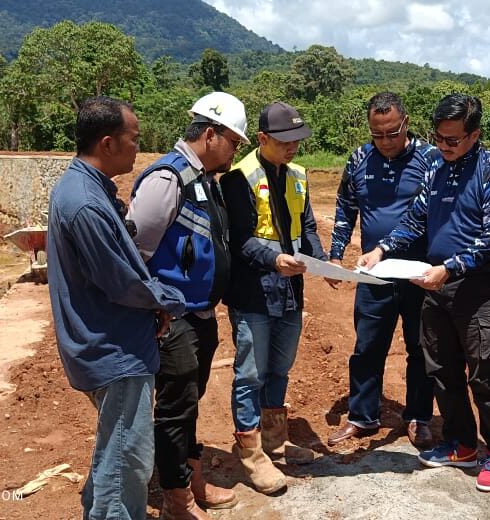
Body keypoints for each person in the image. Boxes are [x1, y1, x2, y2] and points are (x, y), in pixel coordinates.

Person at [359, 93, 490, 492]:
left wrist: (450, 268)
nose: (444, 147)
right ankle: (462, 443)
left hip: (478, 288)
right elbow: (416, 219)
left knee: (484, 374)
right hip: (436, 284)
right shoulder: (436, 168)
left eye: (453, 140)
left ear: (474, 134)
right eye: (439, 138)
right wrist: (382, 249)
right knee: (442, 371)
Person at [45, 96, 186, 520]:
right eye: (133, 139)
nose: (137, 148)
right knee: (128, 461)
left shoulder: (86, 190)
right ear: (108, 143)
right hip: (114, 349)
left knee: (115, 450)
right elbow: (120, 281)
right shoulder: (85, 203)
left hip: (111, 341)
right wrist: (169, 300)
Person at [127, 92, 247, 519]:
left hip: (199, 314)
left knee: (190, 401)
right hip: (172, 318)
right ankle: (175, 497)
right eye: (233, 142)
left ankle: (192, 480)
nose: (235, 152)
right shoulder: (168, 178)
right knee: (175, 409)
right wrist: (155, 308)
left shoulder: (203, 178)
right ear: (210, 134)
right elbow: (134, 254)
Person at [220, 101, 327, 494]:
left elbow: (309, 225)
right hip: (253, 294)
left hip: (289, 292)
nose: (293, 147)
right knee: (250, 374)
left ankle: (274, 440)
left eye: (297, 140)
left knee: (279, 369)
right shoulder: (238, 177)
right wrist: (274, 259)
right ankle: (250, 454)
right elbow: (240, 240)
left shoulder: (298, 175)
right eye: (285, 141)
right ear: (262, 138)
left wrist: (322, 262)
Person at [325, 92, 440, 449]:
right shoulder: (359, 159)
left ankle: (419, 416)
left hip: (418, 274)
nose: (387, 142)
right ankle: (362, 416)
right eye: (379, 135)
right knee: (368, 346)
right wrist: (334, 254)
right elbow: (346, 208)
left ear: (406, 122)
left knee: (420, 347)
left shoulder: (430, 159)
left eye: (393, 133)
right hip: (373, 273)